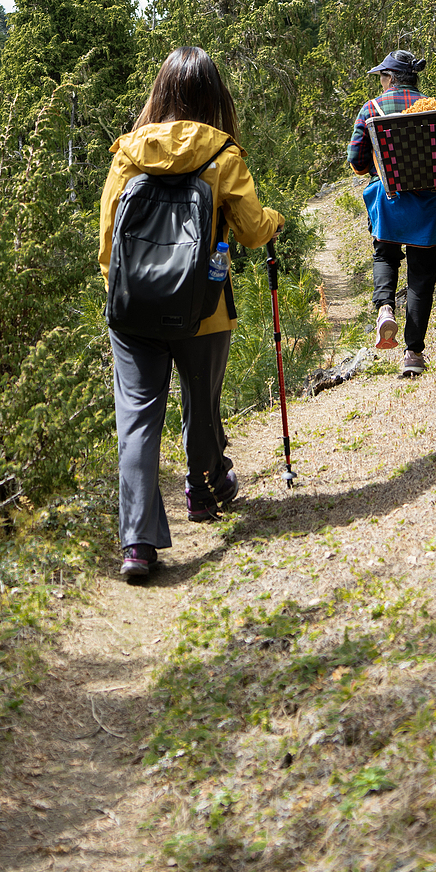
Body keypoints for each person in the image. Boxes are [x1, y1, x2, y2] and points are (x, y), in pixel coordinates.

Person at [98, 46, 283, 584]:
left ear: (161, 92)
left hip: (132, 311)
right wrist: (274, 219)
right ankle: (204, 490)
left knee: (136, 419)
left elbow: (109, 239)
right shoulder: (222, 155)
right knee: (200, 404)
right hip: (203, 306)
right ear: (213, 95)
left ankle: (138, 542)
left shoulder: (128, 153)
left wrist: (122, 293)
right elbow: (250, 231)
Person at [347, 50, 436, 376]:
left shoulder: (371, 109)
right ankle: (413, 354)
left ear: (391, 78)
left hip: (388, 202)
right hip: (428, 206)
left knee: (385, 256)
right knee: (421, 279)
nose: (381, 81)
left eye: (382, 76)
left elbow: (356, 160)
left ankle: (385, 307)